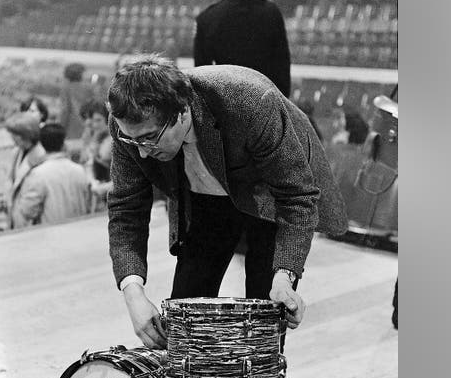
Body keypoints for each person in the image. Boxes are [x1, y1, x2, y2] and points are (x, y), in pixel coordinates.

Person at [106, 55, 347, 349]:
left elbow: (296, 197)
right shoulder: (128, 125)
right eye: (134, 142)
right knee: (186, 319)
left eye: (149, 140)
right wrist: (133, 294)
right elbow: (126, 208)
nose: (141, 153)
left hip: (268, 195)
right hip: (204, 199)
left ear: (182, 112)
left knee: (264, 324)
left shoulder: (251, 101)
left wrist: (285, 277)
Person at [193, 0, 292, 97]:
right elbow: (282, 63)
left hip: (228, 104)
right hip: (267, 101)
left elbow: (201, 76)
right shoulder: (271, 11)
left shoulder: (206, 19)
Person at [11, 123, 91, 227]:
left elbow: (28, 211)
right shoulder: (79, 170)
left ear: (42, 145)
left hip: (52, 234)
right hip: (81, 230)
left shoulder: (38, 174)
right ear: (63, 144)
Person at [4, 112, 45, 229]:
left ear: (25, 134)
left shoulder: (40, 154)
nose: (12, 138)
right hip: (15, 214)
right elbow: (10, 179)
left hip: (31, 218)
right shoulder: (17, 152)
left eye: (14, 134)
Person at [78, 100, 113, 211]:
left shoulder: (111, 141)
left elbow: (101, 157)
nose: (94, 125)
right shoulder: (91, 137)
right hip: (97, 195)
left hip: (109, 194)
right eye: (91, 121)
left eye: (98, 120)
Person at [59, 62, 95, 137]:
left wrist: (60, 128)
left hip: (71, 128)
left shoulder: (66, 88)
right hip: (88, 127)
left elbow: (65, 110)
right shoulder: (89, 88)